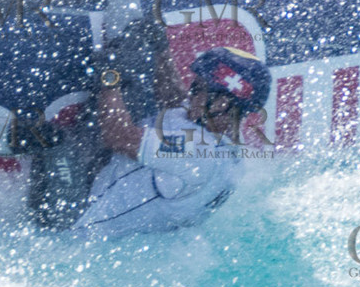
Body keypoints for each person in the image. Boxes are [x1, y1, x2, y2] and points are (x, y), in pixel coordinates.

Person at [71, 45, 271, 237]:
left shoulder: (199, 153)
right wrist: (161, 48)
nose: (191, 95)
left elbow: (117, 136)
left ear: (223, 103)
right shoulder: (224, 141)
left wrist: (109, 77)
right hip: (102, 201)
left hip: (80, 220)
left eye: (198, 89)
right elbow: (173, 101)